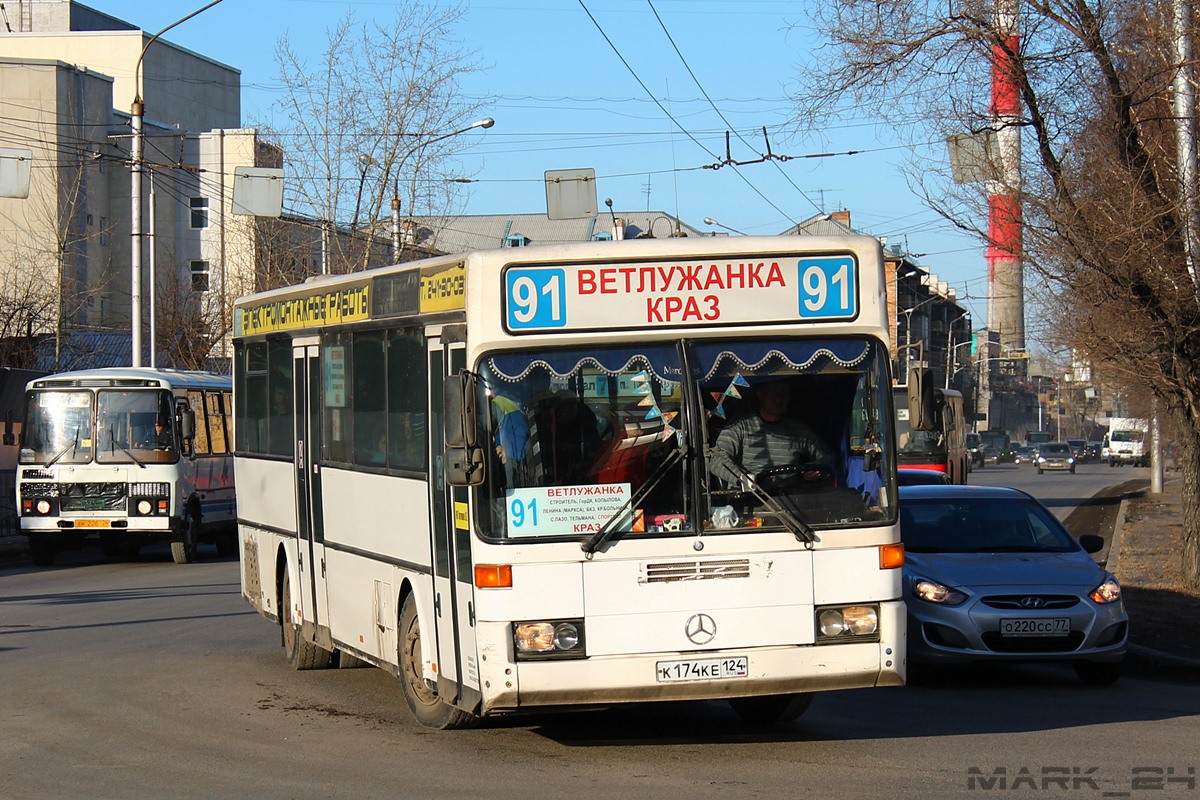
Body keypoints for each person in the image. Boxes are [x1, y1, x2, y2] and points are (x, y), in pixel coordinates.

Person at [708, 380, 837, 489]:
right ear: (761, 396)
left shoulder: (799, 430)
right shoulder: (740, 426)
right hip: (751, 500)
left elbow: (830, 456)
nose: (779, 399)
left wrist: (817, 466)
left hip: (793, 499)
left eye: (784, 394)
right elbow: (717, 460)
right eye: (774, 394)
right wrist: (745, 478)